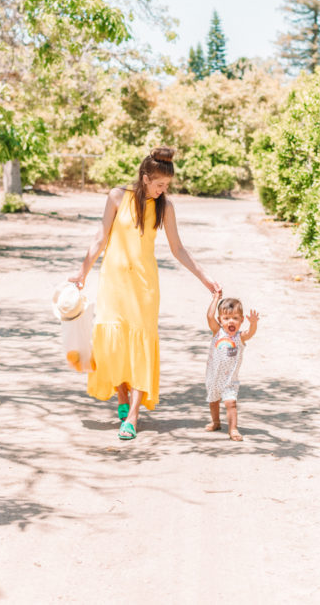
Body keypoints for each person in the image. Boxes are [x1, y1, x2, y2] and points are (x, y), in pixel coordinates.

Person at [69, 146, 221, 440]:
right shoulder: (116, 197)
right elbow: (101, 237)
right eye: (159, 185)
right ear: (145, 177)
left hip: (144, 286)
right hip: (113, 282)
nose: (163, 191)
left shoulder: (165, 206)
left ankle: (133, 417)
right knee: (109, 343)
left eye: (167, 186)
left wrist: (205, 278)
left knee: (140, 346)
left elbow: (178, 249)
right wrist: (82, 272)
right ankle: (122, 395)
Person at [205, 291, 259, 441]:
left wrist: (253, 323)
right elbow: (209, 317)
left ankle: (233, 429)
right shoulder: (217, 332)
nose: (231, 322)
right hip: (213, 376)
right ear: (220, 320)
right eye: (226, 318)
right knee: (213, 400)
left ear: (241, 320)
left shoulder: (239, 337)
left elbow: (250, 333)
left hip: (230, 380)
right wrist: (216, 299)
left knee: (231, 403)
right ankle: (216, 422)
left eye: (235, 318)